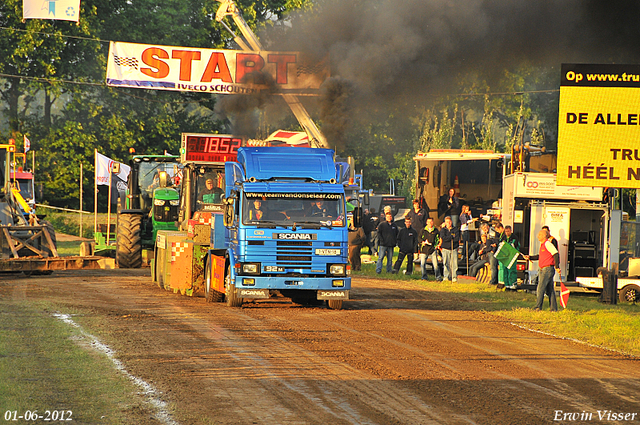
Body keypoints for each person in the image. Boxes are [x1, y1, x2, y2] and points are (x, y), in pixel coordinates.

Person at [524, 229, 560, 312]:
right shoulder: (543, 245)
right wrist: (530, 257)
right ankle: (554, 309)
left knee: (540, 288)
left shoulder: (548, 244)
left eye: (539, 234)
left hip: (547, 269)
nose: (538, 236)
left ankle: (538, 307)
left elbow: (555, 253)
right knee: (549, 290)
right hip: (544, 269)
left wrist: (557, 266)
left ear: (544, 236)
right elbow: (540, 256)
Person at [498, 225, 521, 290]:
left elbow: (516, 247)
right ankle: (507, 285)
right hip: (505, 257)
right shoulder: (503, 237)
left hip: (512, 257)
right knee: (505, 271)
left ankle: (513, 285)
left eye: (508, 231)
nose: (507, 233)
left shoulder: (514, 238)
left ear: (511, 231)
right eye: (506, 231)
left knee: (512, 271)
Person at [439, 216, 459, 282]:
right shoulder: (443, 230)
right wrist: (451, 237)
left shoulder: (455, 229)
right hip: (445, 249)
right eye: (447, 222)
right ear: (445, 223)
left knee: (454, 264)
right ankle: (446, 277)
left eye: (450, 222)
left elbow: (456, 239)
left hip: (454, 248)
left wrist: (448, 238)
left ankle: (454, 277)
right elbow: (443, 238)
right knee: (445, 263)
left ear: (451, 222)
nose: (449, 223)